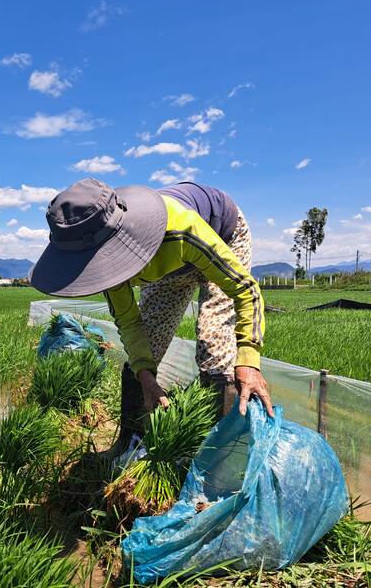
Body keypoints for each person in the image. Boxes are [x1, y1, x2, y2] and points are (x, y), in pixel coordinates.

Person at [29, 178, 273, 454]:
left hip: (219, 236)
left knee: (214, 345)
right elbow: (129, 323)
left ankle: (212, 459)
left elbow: (244, 289)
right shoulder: (103, 264)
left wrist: (249, 359)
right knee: (147, 345)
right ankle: (130, 444)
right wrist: (146, 376)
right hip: (164, 263)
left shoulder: (182, 230)